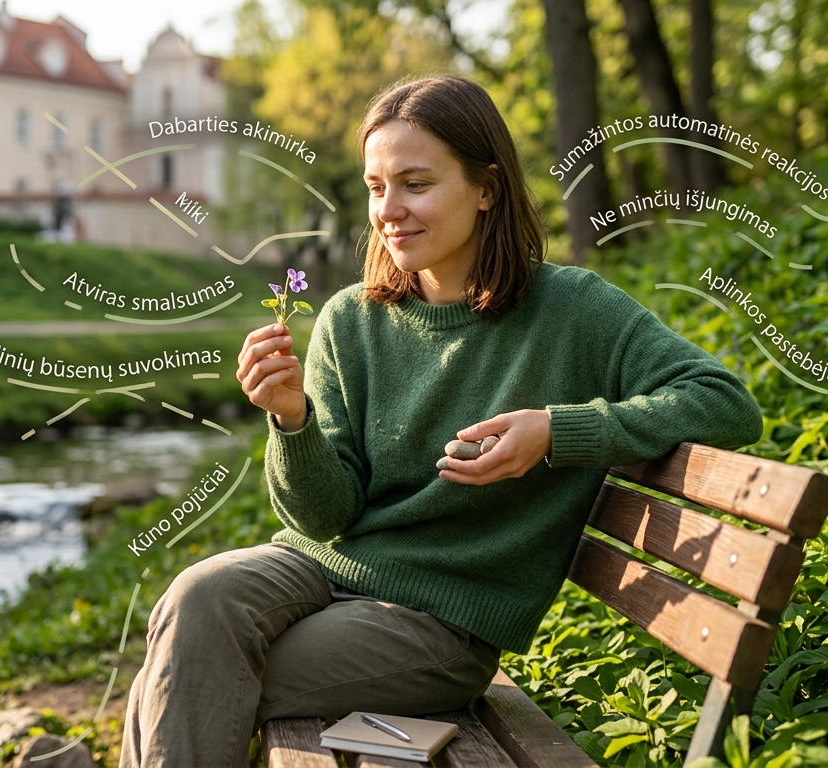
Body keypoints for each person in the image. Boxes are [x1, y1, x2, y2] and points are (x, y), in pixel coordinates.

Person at [120, 75, 763, 767]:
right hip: (323, 566)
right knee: (196, 600)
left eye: (415, 184)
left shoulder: (573, 310)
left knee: (189, 669)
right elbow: (324, 514)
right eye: (375, 187)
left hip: (438, 624)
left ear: (486, 187)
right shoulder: (351, 318)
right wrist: (292, 420)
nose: (388, 210)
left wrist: (556, 431)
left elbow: (724, 401)